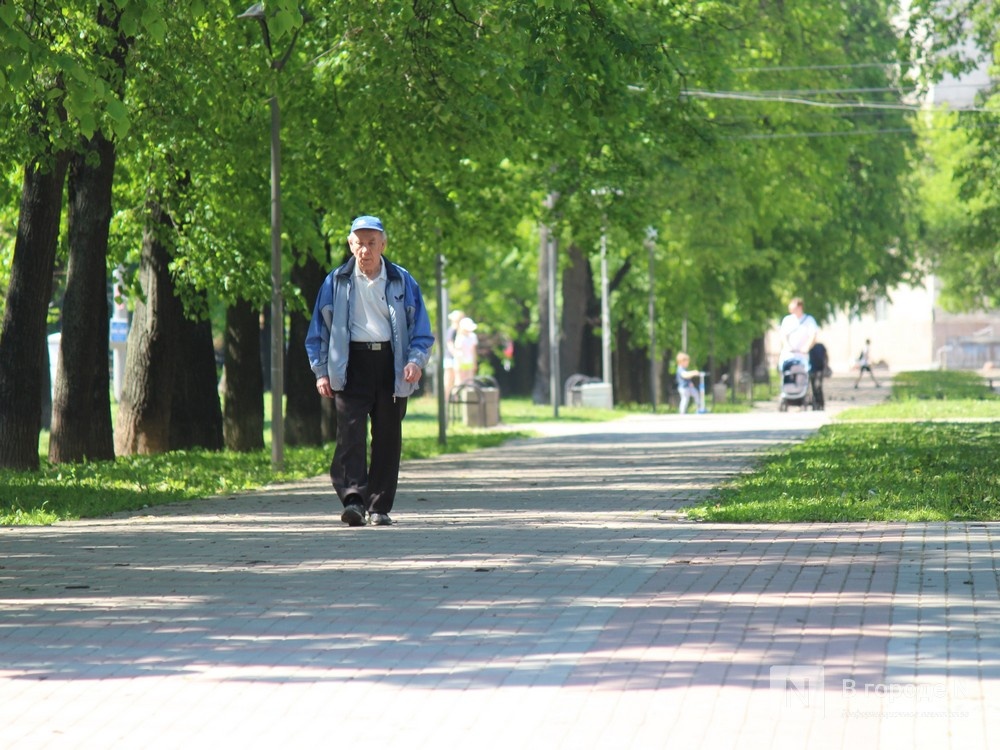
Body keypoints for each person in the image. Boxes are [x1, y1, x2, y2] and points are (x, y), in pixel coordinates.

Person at [305, 215, 434, 527]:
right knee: (350, 434)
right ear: (351, 246)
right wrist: (321, 371)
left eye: (371, 243)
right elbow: (318, 333)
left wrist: (415, 361)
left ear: (383, 245)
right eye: (359, 243)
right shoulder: (335, 282)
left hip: (392, 363)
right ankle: (353, 500)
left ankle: (379, 506)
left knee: (388, 436)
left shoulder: (402, 281)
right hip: (351, 364)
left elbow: (421, 330)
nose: (365, 249)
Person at [778, 297, 819, 372]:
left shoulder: (809, 320)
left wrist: (807, 346)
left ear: (800, 307)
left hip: (802, 356)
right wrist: (787, 346)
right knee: (786, 376)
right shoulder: (787, 320)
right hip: (788, 355)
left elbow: (813, 335)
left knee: (802, 377)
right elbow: (783, 335)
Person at [443, 309, 464, 398]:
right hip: (450, 357)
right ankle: (447, 398)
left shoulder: (459, 331)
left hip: (456, 358)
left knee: (457, 379)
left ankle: (455, 397)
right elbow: (449, 343)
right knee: (449, 379)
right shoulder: (452, 330)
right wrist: (456, 354)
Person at [452, 316, 479, 385]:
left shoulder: (473, 336)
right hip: (460, 361)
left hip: (469, 360)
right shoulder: (460, 338)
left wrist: (474, 362)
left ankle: (468, 395)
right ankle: (457, 395)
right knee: (459, 381)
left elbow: (473, 350)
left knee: (470, 380)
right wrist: (459, 363)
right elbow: (458, 351)